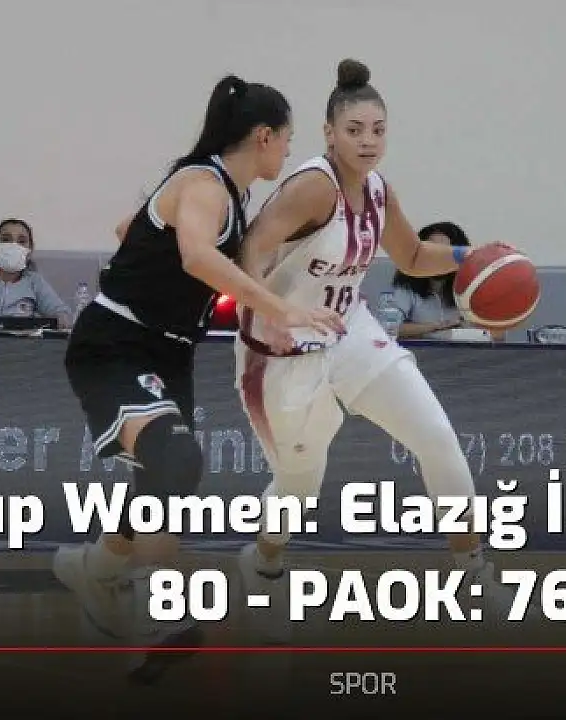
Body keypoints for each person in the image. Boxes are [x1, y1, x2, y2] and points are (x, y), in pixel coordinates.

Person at [51, 74, 345, 681]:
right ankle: (156, 617)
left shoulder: (225, 196)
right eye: (286, 138)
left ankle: (95, 569)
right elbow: (196, 256)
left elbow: (128, 229)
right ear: (263, 136)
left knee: (167, 473)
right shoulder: (204, 183)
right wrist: (278, 307)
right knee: (173, 458)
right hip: (117, 342)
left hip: (169, 352)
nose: (288, 150)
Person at [232, 59, 518, 643]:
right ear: (329, 133)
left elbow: (411, 256)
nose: (368, 140)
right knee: (300, 483)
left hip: (348, 330)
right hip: (281, 348)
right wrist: (272, 311)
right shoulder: (313, 186)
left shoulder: (380, 190)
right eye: (355, 129)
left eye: (378, 130)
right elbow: (251, 249)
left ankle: (472, 575)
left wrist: (470, 257)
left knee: (435, 436)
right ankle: (261, 563)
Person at [389, 221, 504, 340]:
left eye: (444, 252)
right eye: (433, 251)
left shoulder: (473, 285)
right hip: (419, 351)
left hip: (466, 350)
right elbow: (390, 328)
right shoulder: (406, 286)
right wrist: (436, 327)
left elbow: (498, 335)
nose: (437, 258)